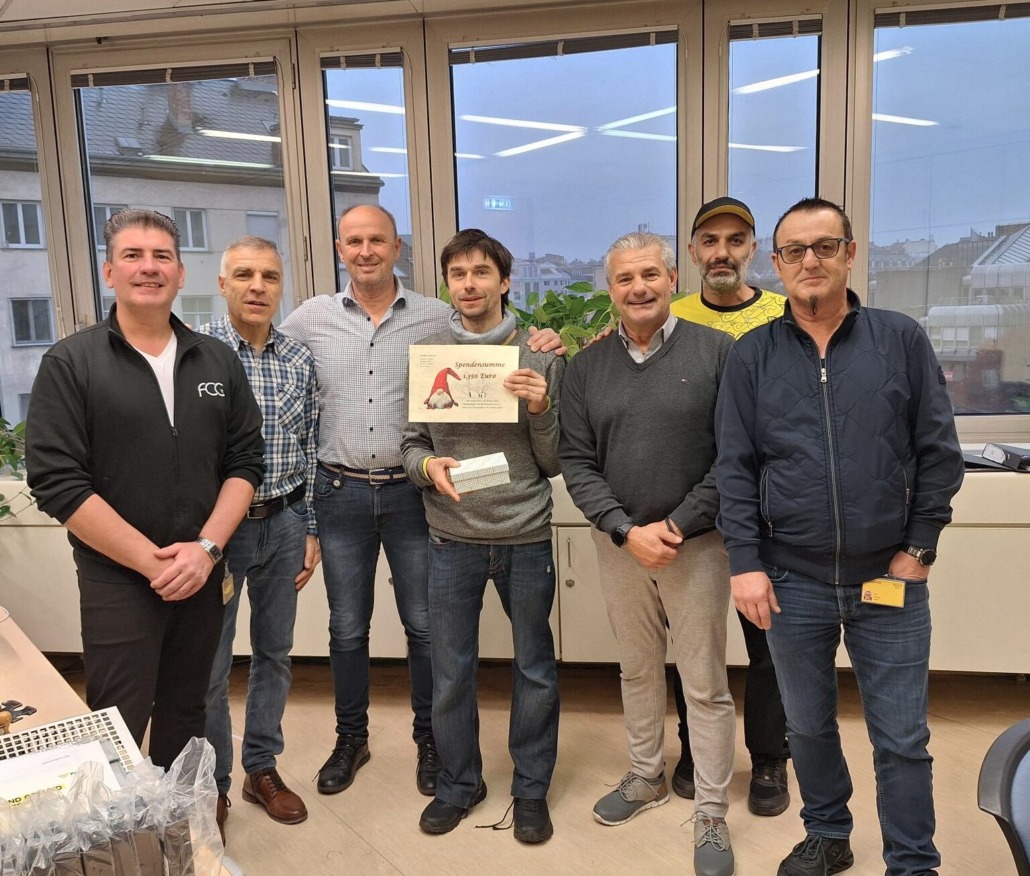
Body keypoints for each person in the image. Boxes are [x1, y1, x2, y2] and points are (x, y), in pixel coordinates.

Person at [715, 197, 964, 876]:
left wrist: (919, 548)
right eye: (794, 251)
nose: (810, 261)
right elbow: (734, 467)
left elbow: (938, 452)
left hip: (889, 576)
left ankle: (912, 859)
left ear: (850, 254)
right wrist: (745, 562)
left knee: (902, 737)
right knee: (807, 725)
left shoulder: (899, 339)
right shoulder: (752, 355)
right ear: (776, 263)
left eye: (825, 246)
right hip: (790, 580)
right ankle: (827, 833)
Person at [279, 204, 562, 797]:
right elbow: (275, 372)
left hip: (419, 498)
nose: (365, 250)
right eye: (354, 241)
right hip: (344, 490)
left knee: (427, 631)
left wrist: (547, 345)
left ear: (396, 247)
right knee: (346, 628)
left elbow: (503, 338)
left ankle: (433, 742)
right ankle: (351, 739)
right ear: (340, 248)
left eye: (377, 240)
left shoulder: (437, 318)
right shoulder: (309, 319)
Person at [25, 209, 265, 771]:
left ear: (181, 273)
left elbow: (245, 461)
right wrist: (152, 563)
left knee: (187, 713)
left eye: (162, 256)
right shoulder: (71, 362)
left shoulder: (216, 359)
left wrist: (204, 551)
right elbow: (57, 481)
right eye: (132, 255)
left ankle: (180, 821)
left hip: (201, 572)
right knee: (117, 722)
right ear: (110, 272)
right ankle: (120, 829)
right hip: (119, 578)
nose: (149, 267)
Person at [559, 231, 736, 876]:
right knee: (636, 670)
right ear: (611, 289)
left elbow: (735, 455)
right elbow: (576, 461)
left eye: (650, 275)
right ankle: (645, 775)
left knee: (704, 683)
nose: (638, 288)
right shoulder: (586, 368)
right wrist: (623, 529)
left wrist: (677, 525)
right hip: (621, 546)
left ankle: (711, 810)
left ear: (672, 279)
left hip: (698, 546)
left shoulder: (718, 352)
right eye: (625, 278)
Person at [401, 229, 564, 844]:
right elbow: (411, 443)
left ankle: (531, 789)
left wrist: (541, 408)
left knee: (535, 667)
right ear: (448, 283)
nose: (469, 284)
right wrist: (426, 467)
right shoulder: (428, 356)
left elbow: (553, 462)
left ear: (504, 281)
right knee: (451, 671)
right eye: (458, 274)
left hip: (525, 533)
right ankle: (458, 784)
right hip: (452, 536)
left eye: (481, 273)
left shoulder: (539, 355)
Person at [665, 196, 791, 817]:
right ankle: (697, 750)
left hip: (766, 511)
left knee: (769, 645)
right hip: (690, 511)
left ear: (753, 249)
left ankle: (769, 757)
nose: (722, 252)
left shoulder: (783, 316)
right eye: (710, 241)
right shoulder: (671, 316)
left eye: (735, 240)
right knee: (693, 644)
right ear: (693, 253)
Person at [199, 237, 320, 842]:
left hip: (285, 521)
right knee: (212, 664)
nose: (257, 286)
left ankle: (261, 769)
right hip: (218, 535)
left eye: (269, 276)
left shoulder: (298, 357)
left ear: (281, 286)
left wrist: (311, 527)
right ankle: (214, 782)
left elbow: (311, 446)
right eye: (243, 275)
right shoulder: (194, 354)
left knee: (275, 653)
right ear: (223, 284)